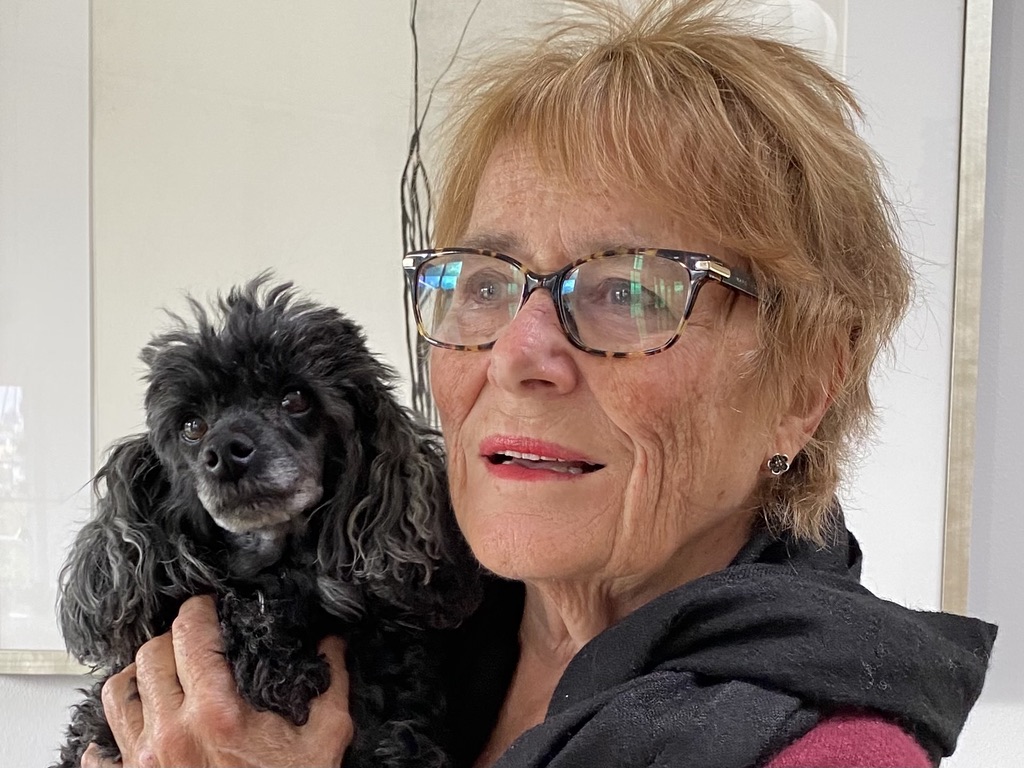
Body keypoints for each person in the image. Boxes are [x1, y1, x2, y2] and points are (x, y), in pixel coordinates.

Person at [82, 1, 996, 766]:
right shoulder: (406, 628)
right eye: (484, 284)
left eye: (630, 291)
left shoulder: (829, 752)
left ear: (804, 385)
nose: (518, 353)